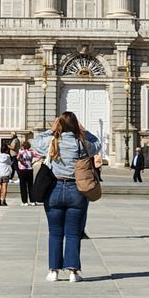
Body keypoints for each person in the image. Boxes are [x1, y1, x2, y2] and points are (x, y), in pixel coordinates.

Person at [33, 111, 100, 280]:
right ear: (76, 125)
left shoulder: (52, 141)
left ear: (60, 125)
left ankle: (53, 271)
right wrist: (82, 130)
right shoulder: (81, 143)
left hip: (54, 189)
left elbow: (35, 142)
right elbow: (97, 144)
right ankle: (72, 271)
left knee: (55, 233)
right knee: (73, 233)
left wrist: (52, 130)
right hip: (76, 190)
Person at [0, 138, 14, 207]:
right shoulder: (7, 156)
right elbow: (10, 163)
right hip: (5, 172)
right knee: (4, 187)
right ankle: (3, 200)